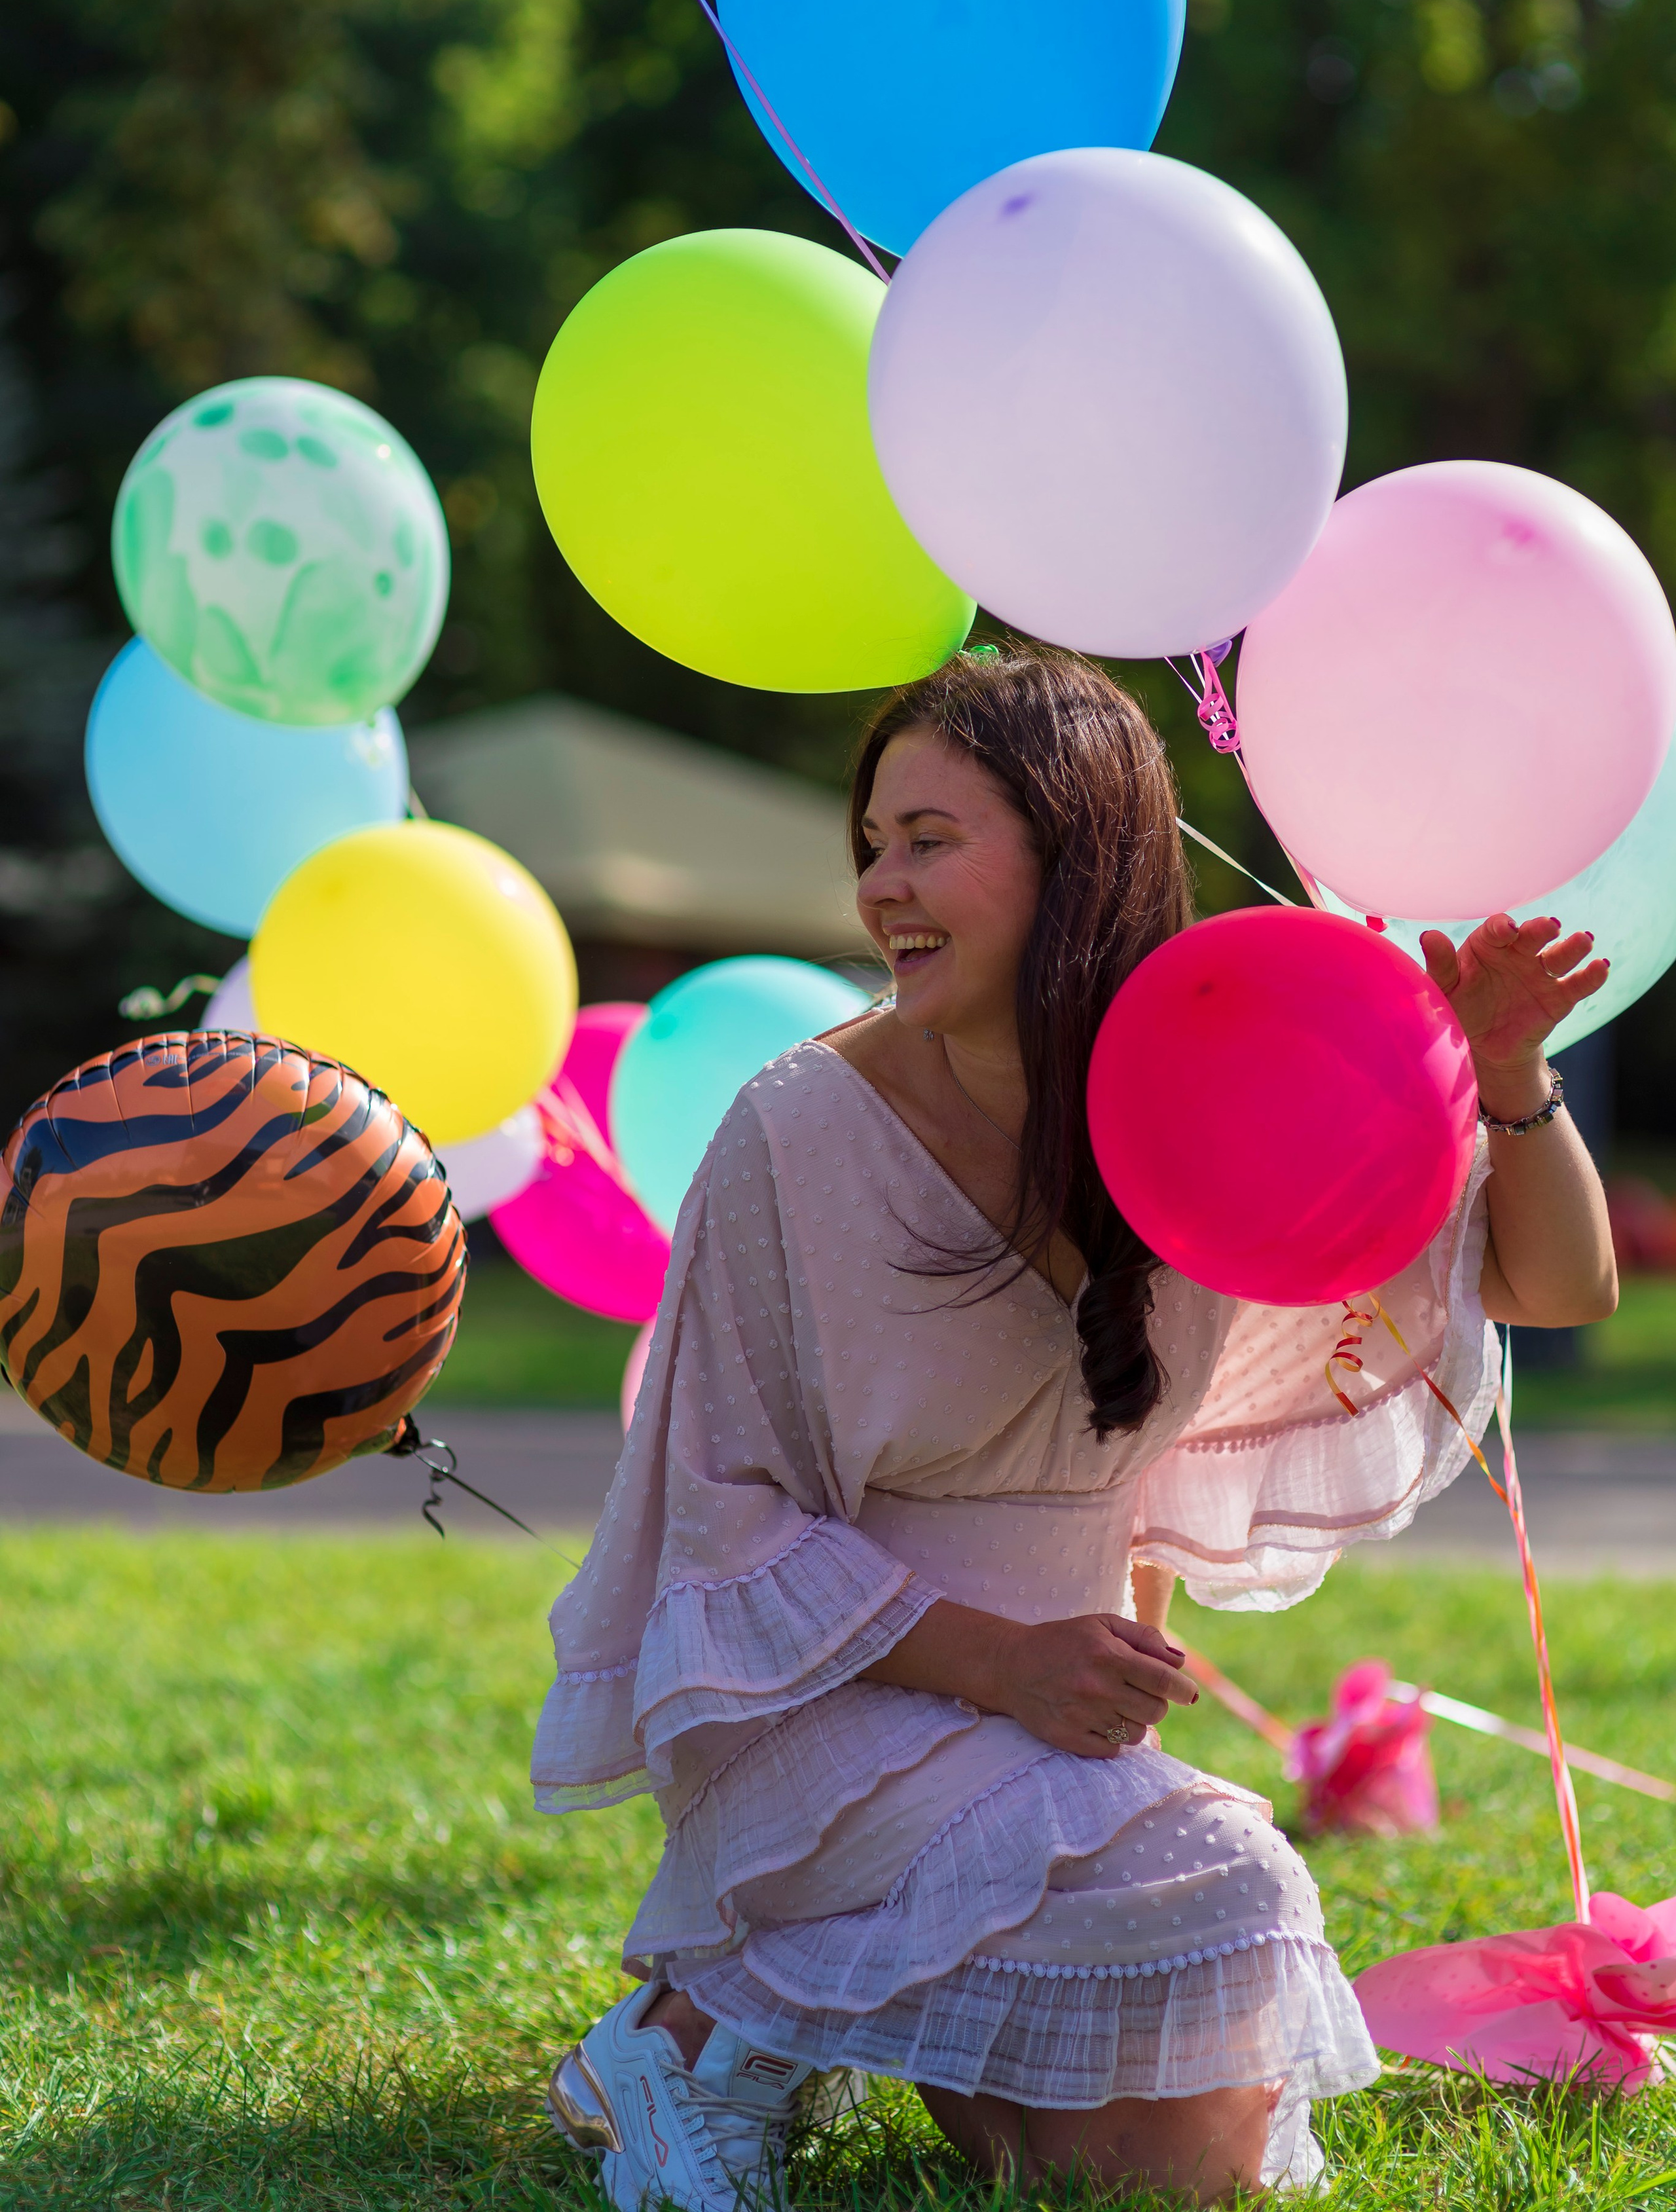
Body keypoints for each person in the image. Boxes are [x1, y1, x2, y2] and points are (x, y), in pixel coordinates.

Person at [534, 644, 1616, 2207]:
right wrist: (1004, 1663)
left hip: (1068, 1727)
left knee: (1158, 2168)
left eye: (928, 840)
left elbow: (1550, 1278)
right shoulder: (794, 1129)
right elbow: (723, 1519)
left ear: (1076, 851)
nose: (880, 887)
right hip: (839, 1699)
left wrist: (1504, 1073)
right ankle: (698, 2029)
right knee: (1232, 1889)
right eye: (871, 845)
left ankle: (775, 2016)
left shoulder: (1210, 1077)